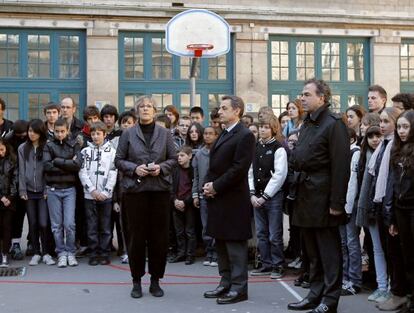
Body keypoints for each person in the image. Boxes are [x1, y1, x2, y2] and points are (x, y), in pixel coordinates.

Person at [287, 78, 350, 313]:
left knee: (328, 252)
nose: (302, 98)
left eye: (306, 94)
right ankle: (315, 293)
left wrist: (336, 203)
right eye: (301, 94)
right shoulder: (308, 123)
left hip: (323, 198)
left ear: (321, 98)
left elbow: (341, 167)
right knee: (311, 251)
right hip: (305, 195)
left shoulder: (334, 124)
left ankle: (330, 299)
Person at [115, 95, 177, 299]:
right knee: (135, 238)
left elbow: (174, 159)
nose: (145, 109)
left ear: (155, 110)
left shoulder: (165, 133)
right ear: (136, 111)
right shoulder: (128, 134)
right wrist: (135, 168)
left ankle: (155, 281)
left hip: (159, 191)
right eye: (141, 106)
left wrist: (161, 167)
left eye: (149, 106)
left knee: (159, 238)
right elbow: (119, 160)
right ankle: (136, 281)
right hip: (135, 193)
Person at [202, 95, 255, 305]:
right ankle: (225, 282)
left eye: (224, 108)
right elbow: (214, 164)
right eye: (219, 108)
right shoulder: (224, 133)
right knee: (221, 244)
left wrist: (216, 186)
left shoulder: (245, 135)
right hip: (219, 199)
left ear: (237, 111)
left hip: (233, 200)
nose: (219, 111)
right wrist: (208, 185)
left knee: (235, 246)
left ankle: (239, 287)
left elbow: (238, 169)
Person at [248, 114, 288, 279]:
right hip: (256, 196)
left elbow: (279, 175)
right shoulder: (255, 147)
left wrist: (265, 196)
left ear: (273, 129)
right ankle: (266, 264)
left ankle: (278, 265)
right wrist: (252, 194)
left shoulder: (279, 148)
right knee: (261, 233)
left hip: (272, 198)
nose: (262, 130)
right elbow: (250, 171)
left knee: (274, 234)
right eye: (260, 127)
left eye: (266, 127)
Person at [43, 118, 82, 268]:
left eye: (62, 131)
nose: (60, 134)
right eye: (57, 131)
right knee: (56, 225)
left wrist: (57, 161)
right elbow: (46, 166)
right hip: (53, 189)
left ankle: (70, 252)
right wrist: (67, 163)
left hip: (69, 189)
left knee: (69, 224)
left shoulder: (74, 144)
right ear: (54, 131)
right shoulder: (49, 145)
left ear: (67, 131)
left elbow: (77, 165)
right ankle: (61, 253)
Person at [386, 110, 414, 313]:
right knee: (407, 256)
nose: (402, 131)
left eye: (406, 127)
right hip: (400, 209)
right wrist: (393, 219)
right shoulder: (396, 150)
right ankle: (409, 297)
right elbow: (395, 185)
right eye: (400, 127)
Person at [79, 121, 118, 266]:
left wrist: (106, 191)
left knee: (105, 226)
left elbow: (113, 172)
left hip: (105, 196)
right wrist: (92, 190)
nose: (95, 137)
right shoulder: (85, 152)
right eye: (93, 134)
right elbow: (82, 172)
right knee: (91, 225)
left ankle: (104, 252)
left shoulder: (112, 152)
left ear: (105, 134)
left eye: (98, 134)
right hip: (90, 195)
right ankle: (93, 252)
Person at [18, 119, 55, 266]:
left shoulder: (46, 147)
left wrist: (46, 188)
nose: (31, 134)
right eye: (29, 131)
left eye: (34, 131)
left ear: (41, 133)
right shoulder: (22, 148)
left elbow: (48, 170)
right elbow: (21, 171)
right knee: (32, 223)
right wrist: (22, 189)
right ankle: (36, 253)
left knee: (44, 223)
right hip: (28, 191)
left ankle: (46, 253)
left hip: (43, 191)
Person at [192, 126, 219, 267]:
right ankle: (209, 252)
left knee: (217, 225)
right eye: (206, 134)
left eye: (211, 134)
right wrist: (195, 194)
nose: (207, 136)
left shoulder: (220, 152)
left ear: (216, 136)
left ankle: (216, 253)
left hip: (217, 195)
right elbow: (195, 176)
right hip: (203, 196)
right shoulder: (199, 154)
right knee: (205, 226)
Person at [339, 128, 362, 296]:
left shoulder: (355, 153)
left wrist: (346, 208)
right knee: (343, 243)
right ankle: (345, 277)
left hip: (350, 204)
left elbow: (352, 182)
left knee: (351, 243)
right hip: (341, 204)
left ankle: (354, 280)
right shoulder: (343, 152)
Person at [5, 120, 28, 260]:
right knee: (10, 218)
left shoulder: (30, 137)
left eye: (23, 134)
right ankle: (8, 246)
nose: (21, 137)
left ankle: (17, 244)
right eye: (19, 135)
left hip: (26, 183)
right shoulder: (8, 139)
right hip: (12, 183)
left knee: (21, 216)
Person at [169, 145, 196, 265]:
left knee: (189, 231)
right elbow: (170, 186)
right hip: (176, 203)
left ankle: (190, 255)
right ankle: (181, 253)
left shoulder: (193, 170)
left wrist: (185, 201)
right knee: (178, 231)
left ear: (189, 156)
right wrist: (175, 200)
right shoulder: (175, 170)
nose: (179, 158)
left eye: (182, 155)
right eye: (178, 155)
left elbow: (194, 188)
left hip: (188, 204)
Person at [0, 138, 17, 268]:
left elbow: (15, 181)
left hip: (9, 201)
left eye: (1, 149)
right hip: (1, 198)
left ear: (6, 148)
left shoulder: (12, 161)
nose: (0, 152)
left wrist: (9, 197)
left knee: (7, 227)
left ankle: (5, 253)